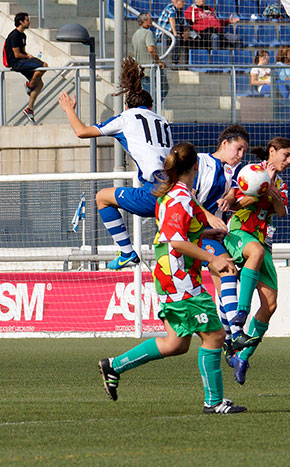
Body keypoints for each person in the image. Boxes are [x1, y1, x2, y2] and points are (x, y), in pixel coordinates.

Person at [97, 142, 247, 414]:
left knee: (175, 344)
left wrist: (205, 234)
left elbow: (173, 233)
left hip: (172, 276)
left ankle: (114, 366)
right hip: (180, 278)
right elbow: (175, 241)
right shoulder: (180, 198)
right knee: (215, 336)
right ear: (196, 166)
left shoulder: (173, 194)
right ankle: (213, 402)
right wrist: (213, 258)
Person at [58, 57, 173, 270]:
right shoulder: (162, 121)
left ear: (127, 105)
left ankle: (127, 252)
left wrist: (68, 109)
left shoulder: (125, 118)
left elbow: (81, 131)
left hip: (155, 190)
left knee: (102, 197)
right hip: (176, 189)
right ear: (151, 106)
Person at [223, 137, 290, 385]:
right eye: (286, 155)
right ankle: (241, 312)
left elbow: (282, 212)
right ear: (272, 151)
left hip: (263, 241)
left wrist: (273, 192)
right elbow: (234, 203)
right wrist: (260, 189)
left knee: (270, 305)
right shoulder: (250, 172)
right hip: (239, 232)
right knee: (254, 252)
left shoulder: (281, 183)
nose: (289, 161)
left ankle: (242, 357)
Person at [192, 125, 259, 355]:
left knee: (225, 284)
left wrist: (230, 196)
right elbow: (187, 196)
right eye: (238, 149)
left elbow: (236, 189)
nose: (241, 155)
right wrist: (209, 217)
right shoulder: (200, 162)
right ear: (224, 144)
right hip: (194, 231)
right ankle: (236, 333)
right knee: (227, 270)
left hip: (215, 235)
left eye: (244, 151)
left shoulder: (237, 170)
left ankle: (229, 341)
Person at [3, 12, 48, 124]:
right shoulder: (14, 35)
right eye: (27, 20)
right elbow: (17, 54)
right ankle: (29, 85)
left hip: (22, 60)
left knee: (40, 83)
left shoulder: (23, 35)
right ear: (21, 22)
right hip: (16, 63)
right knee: (43, 66)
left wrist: (28, 56)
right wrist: (28, 57)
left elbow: (23, 51)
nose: (29, 22)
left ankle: (30, 109)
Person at [131, 12, 168, 101]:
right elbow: (151, 49)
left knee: (148, 94)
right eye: (150, 19)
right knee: (162, 89)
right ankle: (154, 106)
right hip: (149, 70)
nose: (152, 21)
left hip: (140, 69)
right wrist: (159, 61)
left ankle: (153, 105)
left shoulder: (135, 34)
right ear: (144, 21)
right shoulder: (148, 33)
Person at [158, 0, 191, 65]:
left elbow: (185, 24)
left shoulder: (181, 12)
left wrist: (186, 32)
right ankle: (174, 63)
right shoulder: (170, 8)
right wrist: (175, 33)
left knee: (188, 39)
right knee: (176, 39)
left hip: (174, 33)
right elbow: (172, 19)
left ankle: (186, 64)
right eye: (182, 2)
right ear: (176, 2)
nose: (184, 3)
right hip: (164, 34)